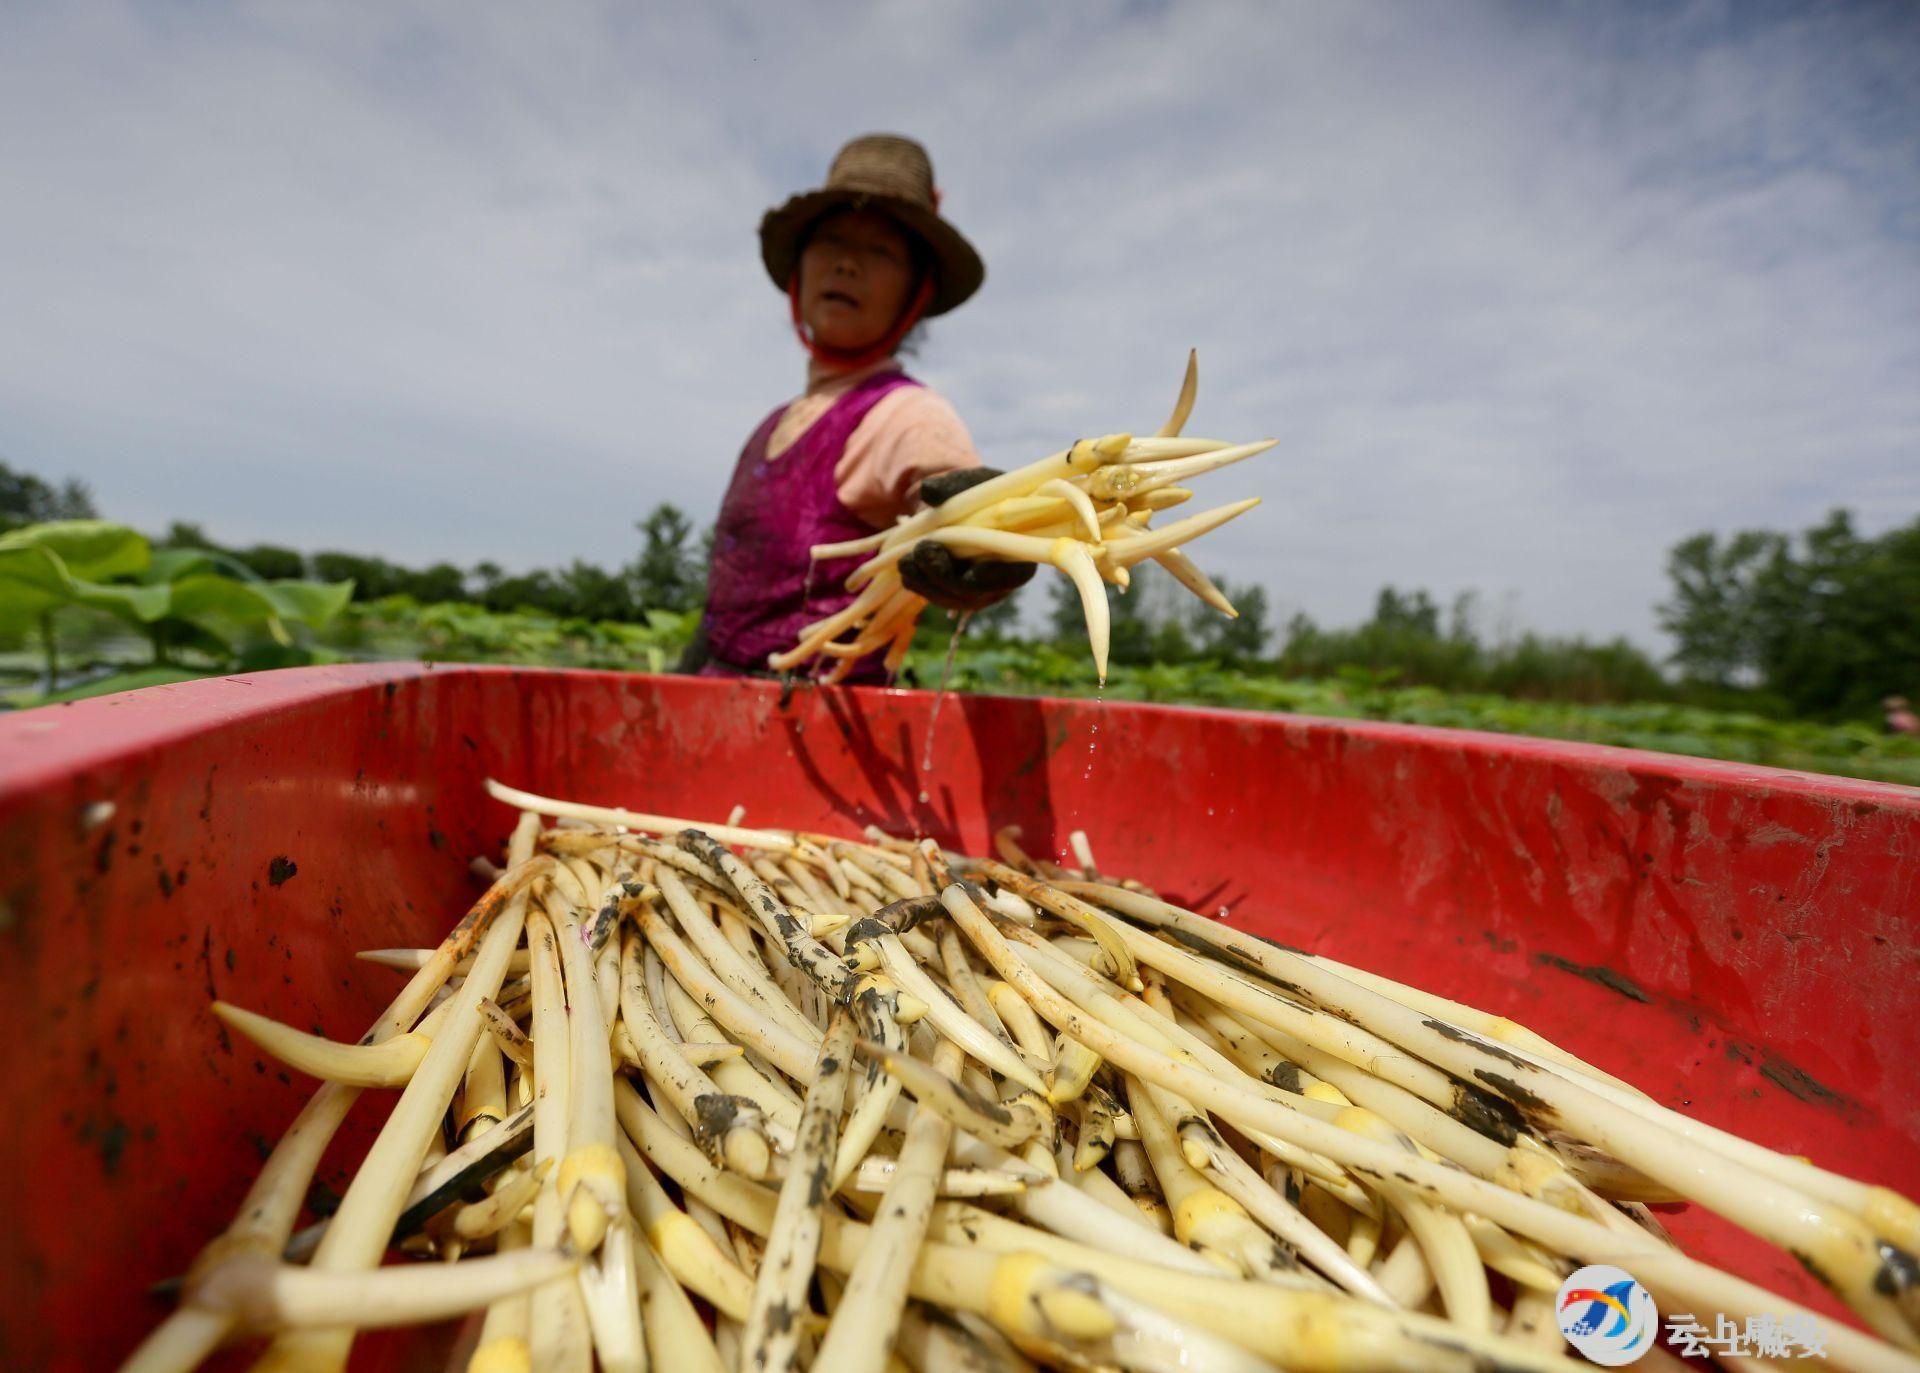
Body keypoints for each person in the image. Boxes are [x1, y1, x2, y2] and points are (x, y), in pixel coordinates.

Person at [681, 134, 1032, 682]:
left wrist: (977, 550)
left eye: (879, 251)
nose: (847, 263)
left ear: (916, 291)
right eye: (832, 241)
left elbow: (947, 513)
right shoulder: (774, 424)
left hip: (827, 731)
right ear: (799, 269)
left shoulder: (909, 415)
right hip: (714, 714)